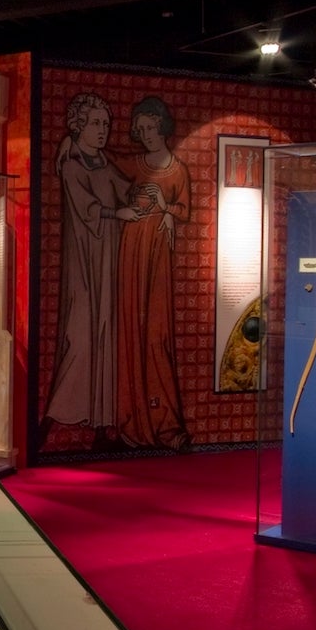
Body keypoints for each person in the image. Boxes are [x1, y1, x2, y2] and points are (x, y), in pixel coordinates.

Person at [44, 94, 144, 439]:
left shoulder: (103, 162)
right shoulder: (73, 165)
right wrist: (118, 213)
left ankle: (101, 420)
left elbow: (124, 188)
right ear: (79, 126)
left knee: (105, 330)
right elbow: (86, 208)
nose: (103, 130)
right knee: (81, 333)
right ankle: (59, 412)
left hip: (107, 257)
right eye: (96, 123)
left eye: (106, 124)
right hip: (85, 261)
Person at [117, 96, 192, 451]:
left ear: (162, 127)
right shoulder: (135, 164)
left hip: (157, 251)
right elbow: (106, 161)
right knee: (132, 326)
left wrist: (166, 208)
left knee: (156, 332)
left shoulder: (177, 170)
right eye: (141, 129)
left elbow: (184, 210)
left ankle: (164, 422)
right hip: (132, 247)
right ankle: (132, 419)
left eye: (151, 127)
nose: (146, 134)